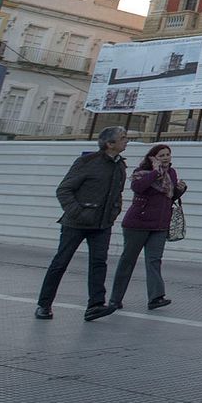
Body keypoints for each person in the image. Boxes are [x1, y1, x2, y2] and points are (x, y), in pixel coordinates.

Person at [36, 126, 129, 321]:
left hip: (102, 224)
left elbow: (117, 193)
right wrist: (78, 212)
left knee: (98, 263)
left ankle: (95, 305)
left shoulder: (120, 165)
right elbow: (64, 190)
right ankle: (44, 305)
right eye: (122, 138)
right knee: (60, 263)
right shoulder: (87, 162)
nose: (126, 140)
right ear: (109, 144)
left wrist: (114, 212)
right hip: (76, 223)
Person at [108, 143, 186, 311]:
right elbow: (138, 187)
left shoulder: (171, 173)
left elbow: (168, 198)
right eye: (161, 155)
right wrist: (155, 172)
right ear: (153, 158)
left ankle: (156, 297)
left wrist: (180, 190)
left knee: (154, 261)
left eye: (168, 155)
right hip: (138, 223)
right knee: (127, 261)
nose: (166, 158)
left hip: (159, 224)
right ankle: (115, 298)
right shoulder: (141, 173)